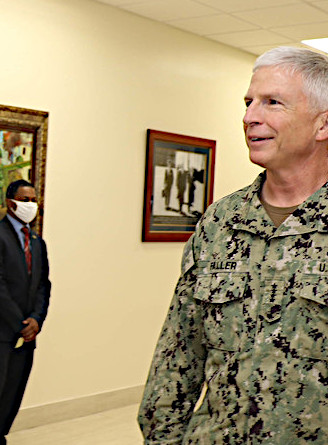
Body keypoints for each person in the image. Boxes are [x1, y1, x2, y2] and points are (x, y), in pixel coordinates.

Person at [139, 46, 328, 444]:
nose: (249, 117)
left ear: (322, 124)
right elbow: (178, 354)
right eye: (248, 102)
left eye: (272, 102)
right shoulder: (220, 221)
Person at [0, 179, 51, 445]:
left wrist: (36, 320)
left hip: (28, 334)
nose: (31, 205)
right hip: (1, 333)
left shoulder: (38, 242)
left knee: (14, 392)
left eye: (33, 200)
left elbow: (43, 285)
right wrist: (19, 322)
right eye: (25, 200)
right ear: (10, 203)